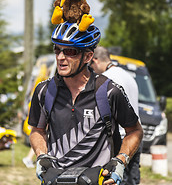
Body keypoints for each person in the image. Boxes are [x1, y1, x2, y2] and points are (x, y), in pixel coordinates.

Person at [28, 21, 143, 185]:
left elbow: (135, 131)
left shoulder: (110, 92)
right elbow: (37, 130)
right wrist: (41, 155)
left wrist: (121, 160)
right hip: (56, 180)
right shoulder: (44, 91)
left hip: (97, 179)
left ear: (88, 57)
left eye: (69, 51)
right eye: (57, 49)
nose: (60, 57)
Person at [90, 46, 142, 185]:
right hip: (136, 135)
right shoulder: (128, 75)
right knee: (133, 178)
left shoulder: (107, 79)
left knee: (116, 179)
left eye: (91, 65)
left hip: (120, 139)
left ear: (95, 60)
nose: (92, 70)